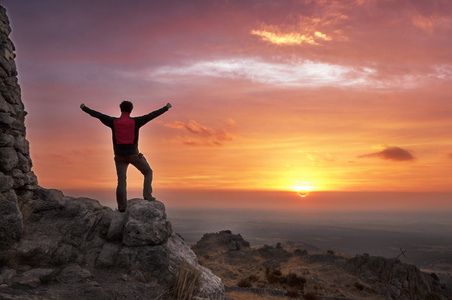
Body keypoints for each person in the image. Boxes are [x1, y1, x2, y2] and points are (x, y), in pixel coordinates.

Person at [80, 101, 172, 212]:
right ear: (131, 110)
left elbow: (98, 115)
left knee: (121, 181)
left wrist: (84, 108)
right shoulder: (136, 122)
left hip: (119, 157)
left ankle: (122, 207)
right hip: (133, 155)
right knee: (148, 172)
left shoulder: (113, 122)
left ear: (120, 109)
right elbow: (151, 115)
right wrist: (166, 108)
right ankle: (148, 196)